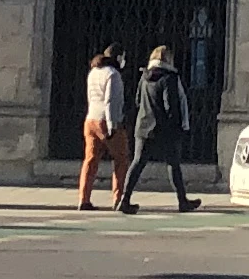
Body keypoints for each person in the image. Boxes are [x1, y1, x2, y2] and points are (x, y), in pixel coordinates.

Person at [117, 40, 197, 213]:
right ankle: (182, 201)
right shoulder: (169, 78)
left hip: (144, 126)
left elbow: (138, 100)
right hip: (164, 129)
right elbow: (171, 106)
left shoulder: (144, 77)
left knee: (137, 163)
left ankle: (125, 198)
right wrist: (178, 127)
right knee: (173, 164)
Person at [77, 45, 127, 210]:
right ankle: (118, 198)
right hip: (105, 120)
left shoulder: (93, 72)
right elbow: (110, 101)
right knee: (121, 158)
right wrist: (112, 125)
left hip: (90, 119)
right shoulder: (113, 75)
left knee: (90, 160)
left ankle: (83, 199)